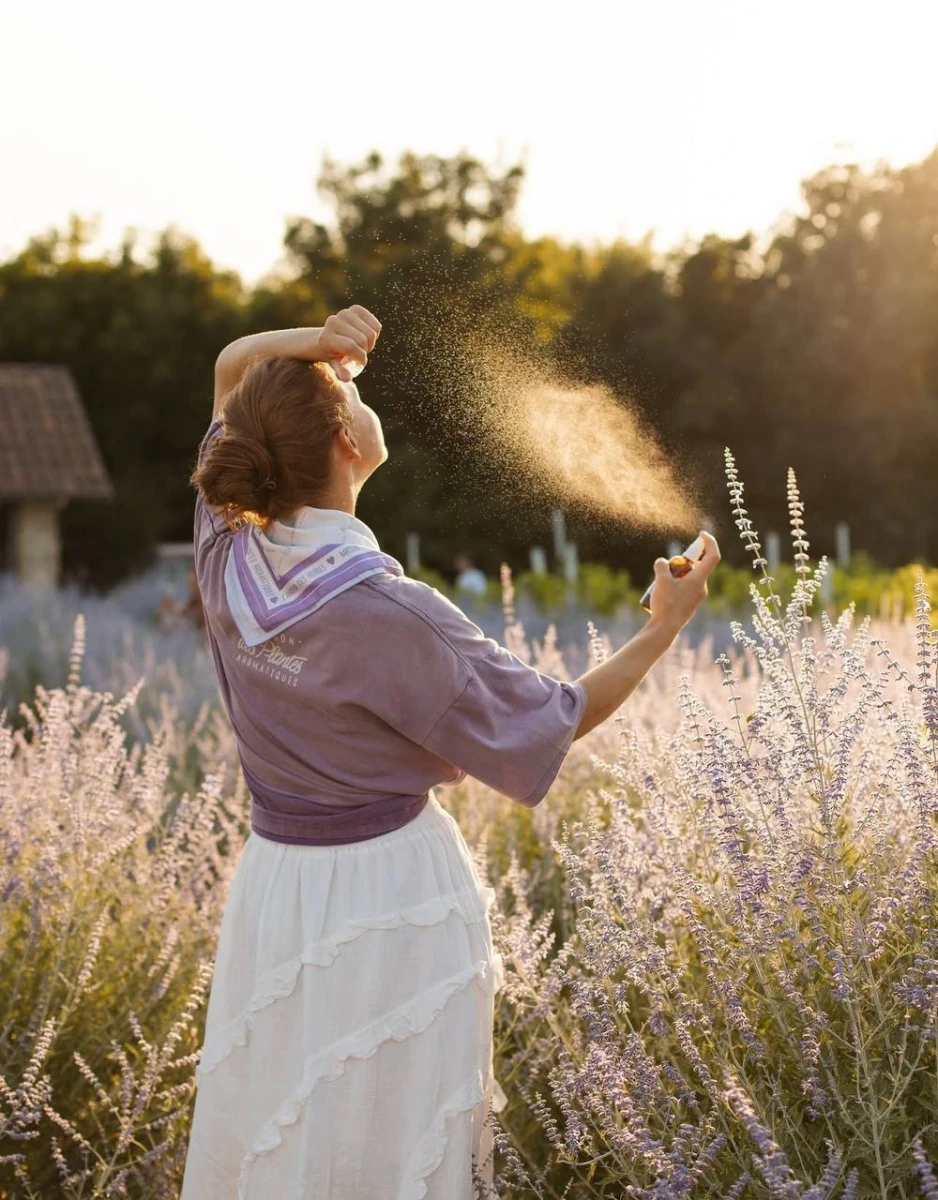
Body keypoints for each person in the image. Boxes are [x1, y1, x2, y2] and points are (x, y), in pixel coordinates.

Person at [180, 305, 720, 1200]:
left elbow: (232, 359)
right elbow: (557, 715)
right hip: (390, 893)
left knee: (288, 1132)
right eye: (343, 389)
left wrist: (315, 351)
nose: (356, 387)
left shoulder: (224, 550)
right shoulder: (391, 614)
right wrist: (663, 630)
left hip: (277, 883)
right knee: (388, 1150)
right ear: (347, 444)